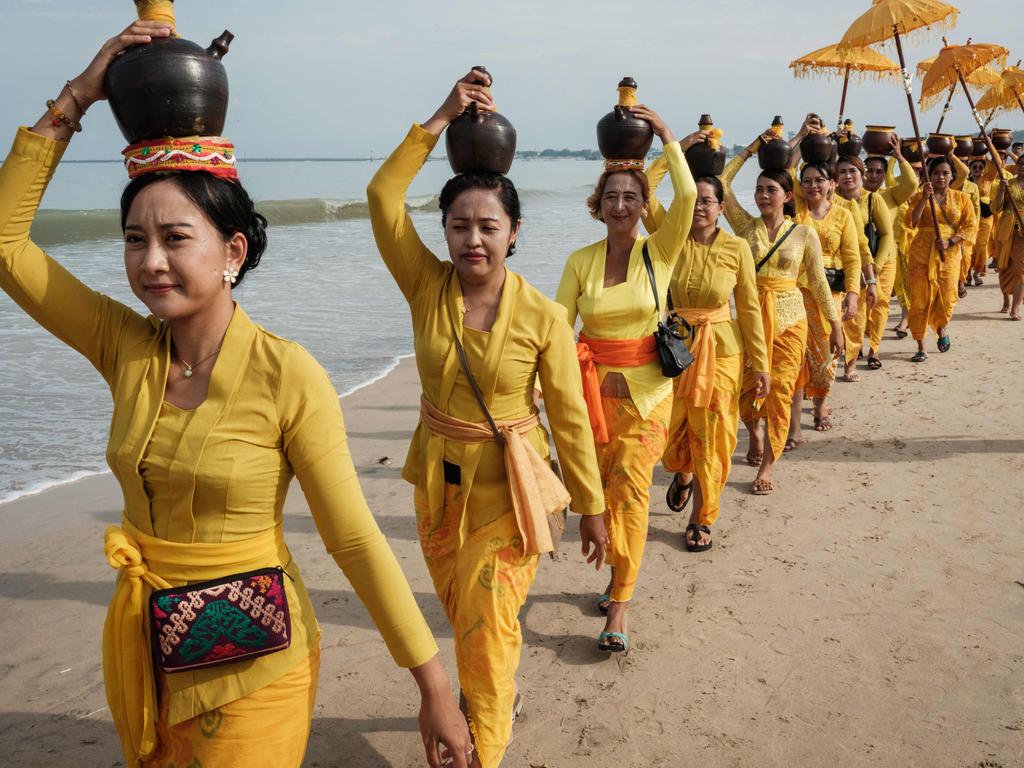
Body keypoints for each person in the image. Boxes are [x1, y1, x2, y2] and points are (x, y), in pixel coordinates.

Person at [0, 21, 472, 768]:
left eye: (175, 238)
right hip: (144, 648)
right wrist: (77, 98)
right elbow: (5, 243)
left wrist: (433, 686)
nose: (150, 262)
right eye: (133, 239)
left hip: (254, 668)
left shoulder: (289, 376)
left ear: (233, 250)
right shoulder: (125, 347)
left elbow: (352, 540)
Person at [366, 69, 608, 767]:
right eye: (459, 225)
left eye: (488, 226)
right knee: (469, 621)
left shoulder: (543, 317)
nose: (473, 239)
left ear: (515, 232)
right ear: (444, 230)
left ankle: (484, 752)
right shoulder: (425, 286)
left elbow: (566, 418)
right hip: (438, 485)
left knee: (487, 621)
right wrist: (441, 114)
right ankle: (492, 689)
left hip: (513, 489)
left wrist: (590, 506)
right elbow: (382, 196)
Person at [556, 105, 695, 650]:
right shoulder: (579, 261)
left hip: (648, 397)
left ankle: (620, 605)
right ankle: (618, 575)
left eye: (630, 197)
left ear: (642, 206)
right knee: (602, 499)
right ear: (598, 205)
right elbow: (558, 328)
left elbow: (686, 199)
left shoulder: (658, 253)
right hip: (593, 401)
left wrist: (664, 136)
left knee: (633, 496)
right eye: (611, 196)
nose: (620, 204)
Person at [643, 160, 769, 549]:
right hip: (676, 349)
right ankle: (682, 472)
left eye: (708, 200)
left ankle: (702, 516)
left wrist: (760, 364)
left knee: (713, 436)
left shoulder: (736, 249)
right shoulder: (670, 237)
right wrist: (675, 149)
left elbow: (748, 307)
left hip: (723, 353)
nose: (700, 206)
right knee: (673, 429)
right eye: (693, 199)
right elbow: (645, 191)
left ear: (721, 206)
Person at [721, 134, 842, 494]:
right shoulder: (745, 228)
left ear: (788, 196)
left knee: (783, 390)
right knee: (745, 389)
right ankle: (754, 433)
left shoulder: (804, 233)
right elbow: (724, 184)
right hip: (750, 316)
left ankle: (769, 464)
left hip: (791, 319)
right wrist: (751, 147)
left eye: (771, 190)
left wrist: (834, 325)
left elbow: (819, 283)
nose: (762, 196)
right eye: (759, 189)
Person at [838, 138, 918, 369]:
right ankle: (855, 346)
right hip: (851, 262)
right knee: (854, 307)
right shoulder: (837, 199)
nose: (873, 176)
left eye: (878, 172)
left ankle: (874, 350)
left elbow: (912, 183)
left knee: (880, 304)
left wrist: (898, 157)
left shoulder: (889, 196)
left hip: (884, 259)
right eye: (870, 171)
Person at [905, 156, 977, 360]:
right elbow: (911, 222)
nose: (940, 177)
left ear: (952, 176)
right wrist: (923, 199)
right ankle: (921, 344)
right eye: (936, 173)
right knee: (919, 300)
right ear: (929, 176)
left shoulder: (962, 198)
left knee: (946, 298)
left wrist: (951, 241)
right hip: (920, 253)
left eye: (945, 173)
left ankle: (941, 328)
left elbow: (970, 225)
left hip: (949, 255)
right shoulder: (920, 196)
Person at [992, 159, 1024, 320]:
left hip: (1023, 236)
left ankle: (1015, 308)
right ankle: (1006, 299)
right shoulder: (1007, 183)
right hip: (1006, 232)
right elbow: (995, 208)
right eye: (1021, 163)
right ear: (1016, 166)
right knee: (1004, 270)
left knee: (1022, 272)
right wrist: (1002, 191)